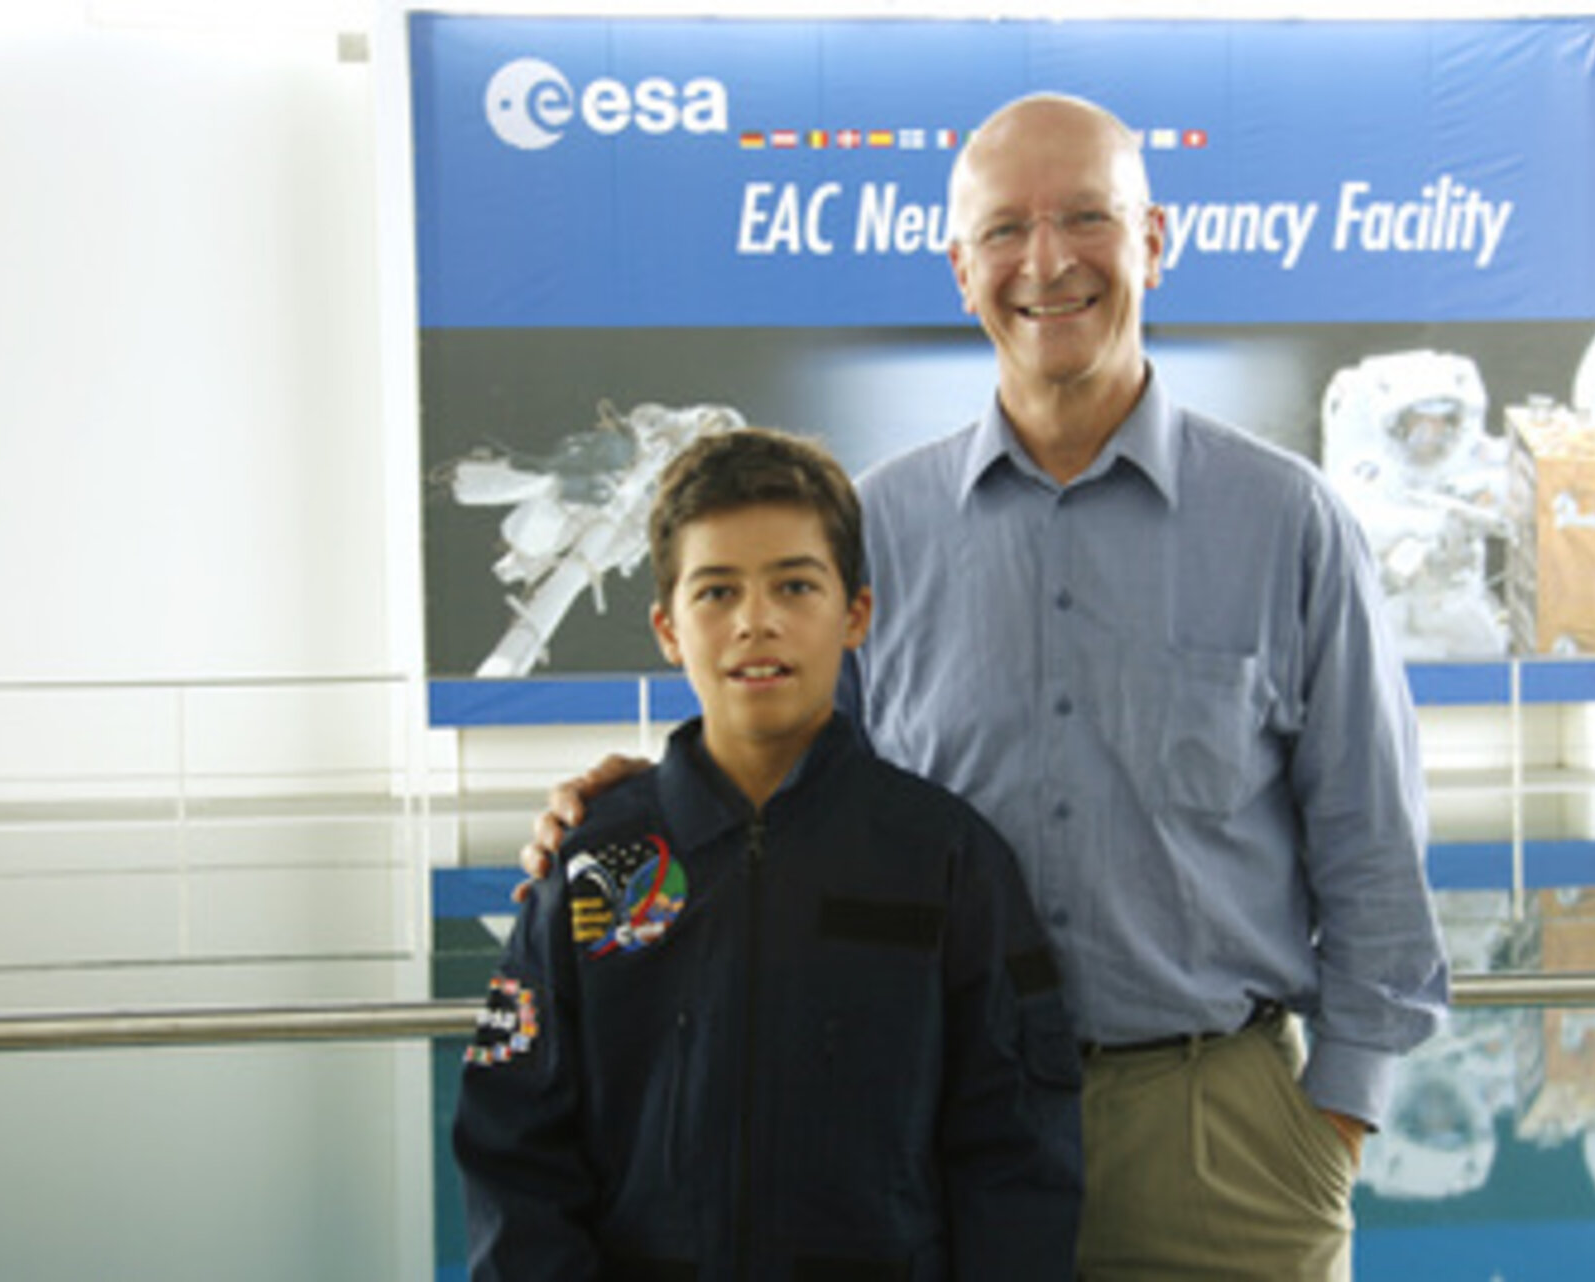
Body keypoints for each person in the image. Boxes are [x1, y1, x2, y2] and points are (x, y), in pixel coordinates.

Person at [524, 94, 1448, 1281]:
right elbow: (788, 790)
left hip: (1215, 1148)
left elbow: (1374, 847)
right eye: (1006, 230)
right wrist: (630, 809)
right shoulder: (877, 530)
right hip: (927, 1129)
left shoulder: (1288, 525)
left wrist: (1328, 1126)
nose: (1047, 261)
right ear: (960, 268)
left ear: (1154, 239)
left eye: (1086, 219)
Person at [457, 427, 1083, 1280]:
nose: (757, 621)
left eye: (795, 585)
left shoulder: (947, 861)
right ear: (667, 630)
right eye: (716, 592)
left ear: (855, 614)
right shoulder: (600, 863)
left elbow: (1017, 1153)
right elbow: (513, 1147)